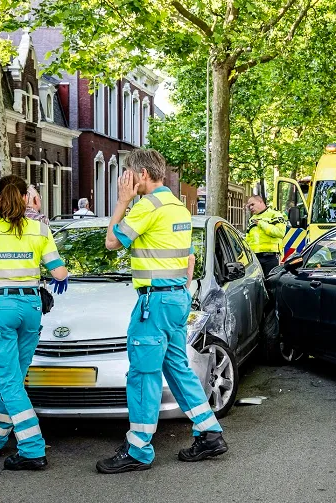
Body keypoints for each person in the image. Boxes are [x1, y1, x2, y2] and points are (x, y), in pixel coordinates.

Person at [97, 149, 227, 474]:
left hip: (153, 303)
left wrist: (122, 202)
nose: (125, 180)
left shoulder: (147, 206)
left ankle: (138, 449)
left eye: (128, 174)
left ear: (142, 175)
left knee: (143, 374)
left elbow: (112, 241)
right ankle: (209, 432)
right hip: (176, 298)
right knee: (177, 369)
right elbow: (190, 260)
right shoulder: (177, 206)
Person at [0, 175, 69, 471]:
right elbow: (59, 273)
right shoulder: (40, 229)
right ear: (24, 198)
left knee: (7, 380)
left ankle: (32, 448)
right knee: (15, 378)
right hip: (31, 307)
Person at [245, 195, 287, 277]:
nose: (250, 208)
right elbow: (248, 238)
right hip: (255, 258)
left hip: (271, 257)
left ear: (260, 202)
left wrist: (261, 224)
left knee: (271, 283)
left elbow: (280, 233)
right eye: (249, 206)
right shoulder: (251, 219)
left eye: (252, 204)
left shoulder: (275, 215)